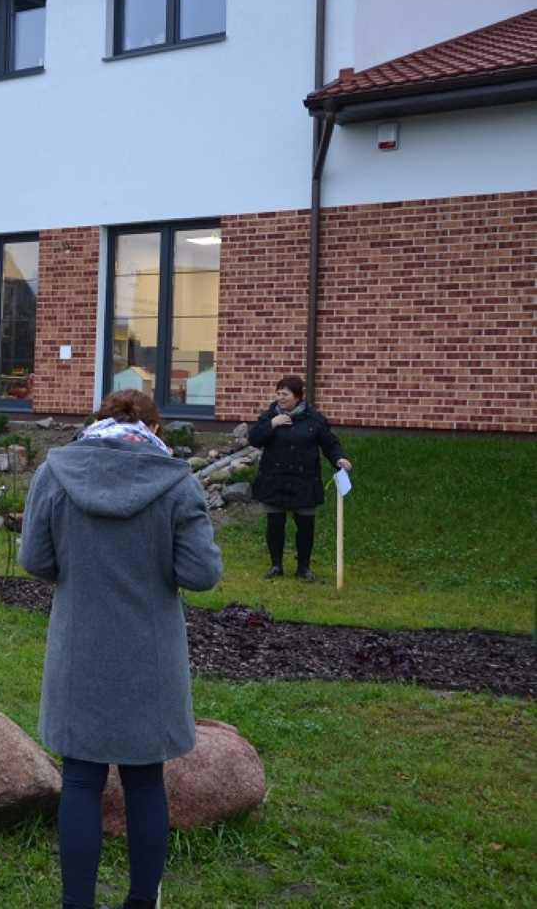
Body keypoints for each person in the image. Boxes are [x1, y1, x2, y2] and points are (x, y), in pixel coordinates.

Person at [19, 389, 223, 909]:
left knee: (80, 781)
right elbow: (201, 573)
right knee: (145, 781)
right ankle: (141, 901)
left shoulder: (55, 473)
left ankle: (76, 903)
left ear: (98, 421)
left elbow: (35, 559)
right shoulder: (176, 483)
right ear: (153, 429)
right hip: (149, 656)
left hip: (79, 648)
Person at [247, 373, 352, 581]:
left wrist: (339, 459)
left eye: (285, 394)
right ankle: (276, 566)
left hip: (305, 481)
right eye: (278, 393)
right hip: (274, 479)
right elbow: (254, 439)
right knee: (275, 524)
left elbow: (330, 444)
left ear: (297, 396)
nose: (280, 398)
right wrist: (272, 424)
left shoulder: (314, 418)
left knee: (305, 526)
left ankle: (303, 568)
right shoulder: (269, 416)